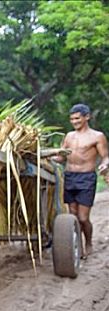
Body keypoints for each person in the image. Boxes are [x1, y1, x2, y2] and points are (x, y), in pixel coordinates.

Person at [53, 103, 109, 258]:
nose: (74, 122)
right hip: (70, 177)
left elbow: (105, 157)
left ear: (87, 117)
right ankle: (76, 246)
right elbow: (61, 157)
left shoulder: (97, 136)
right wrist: (46, 157)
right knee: (73, 215)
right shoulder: (69, 136)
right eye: (72, 119)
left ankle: (88, 242)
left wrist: (105, 166)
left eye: (77, 118)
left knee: (83, 218)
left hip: (86, 178)